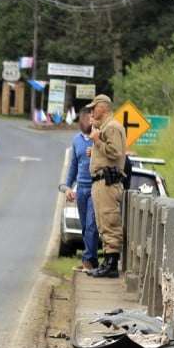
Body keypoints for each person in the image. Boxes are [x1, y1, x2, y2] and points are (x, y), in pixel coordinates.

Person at [86, 94, 126, 279]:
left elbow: (115, 152)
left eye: (95, 107)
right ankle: (106, 262)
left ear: (104, 107)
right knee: (103, 223)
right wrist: (94, 149)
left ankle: (111, 264)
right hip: (100, 182)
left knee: (109, 222)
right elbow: (106, 151)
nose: (92, 111)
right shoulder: (105, 128)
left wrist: (97, 141)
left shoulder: (112, 127)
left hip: (107, 182)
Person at [61, 108, 100, 272]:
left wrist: (96, 151)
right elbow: (73, 166)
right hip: (81, 188)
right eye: (84, 118)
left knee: (92, 224)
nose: (87, 121)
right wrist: (68, 186)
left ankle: (87, 260)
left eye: (90, 118)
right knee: (84, 225)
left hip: (96, 187)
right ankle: (92, 260)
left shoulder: (98, 138)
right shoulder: (76, 140)